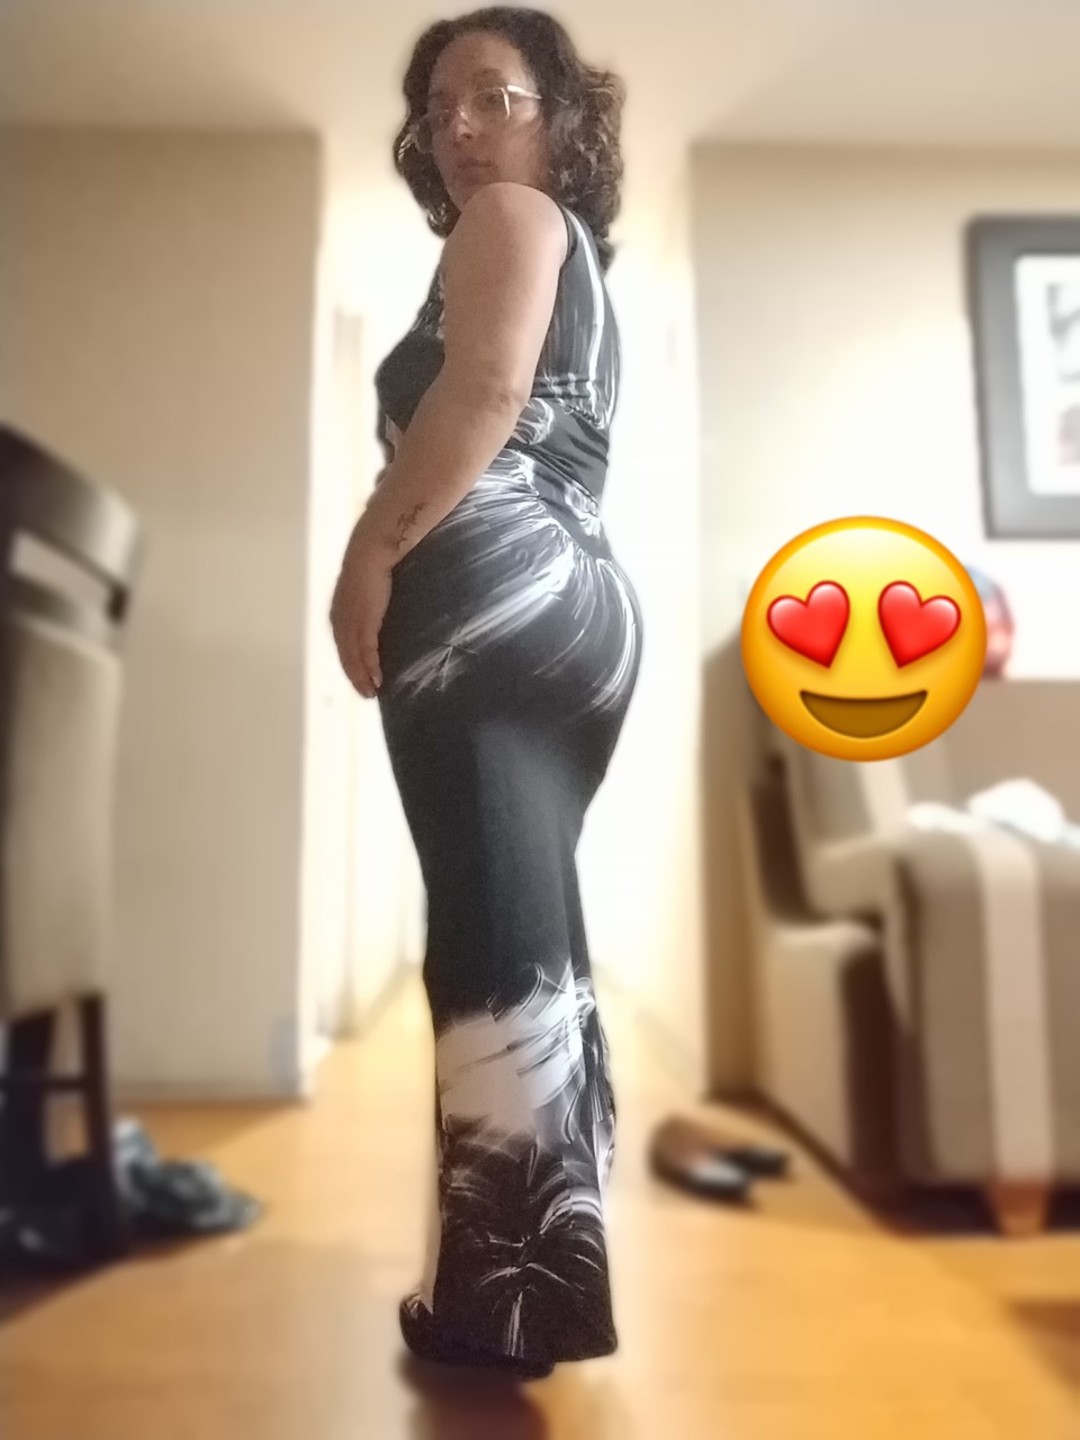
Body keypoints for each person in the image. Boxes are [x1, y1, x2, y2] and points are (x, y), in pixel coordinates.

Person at [329, 7, 642, 1382]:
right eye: (437, 107)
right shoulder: (585, 268)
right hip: (577, 603)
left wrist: (368, 552)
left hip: (487, 584)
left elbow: (488, 388)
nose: (458, 127)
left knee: (488, 940)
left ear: (558, 120)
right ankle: (544, 1273)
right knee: (531, 928)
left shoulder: (510, 219)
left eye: (493, 96)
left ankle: (503, 1301)